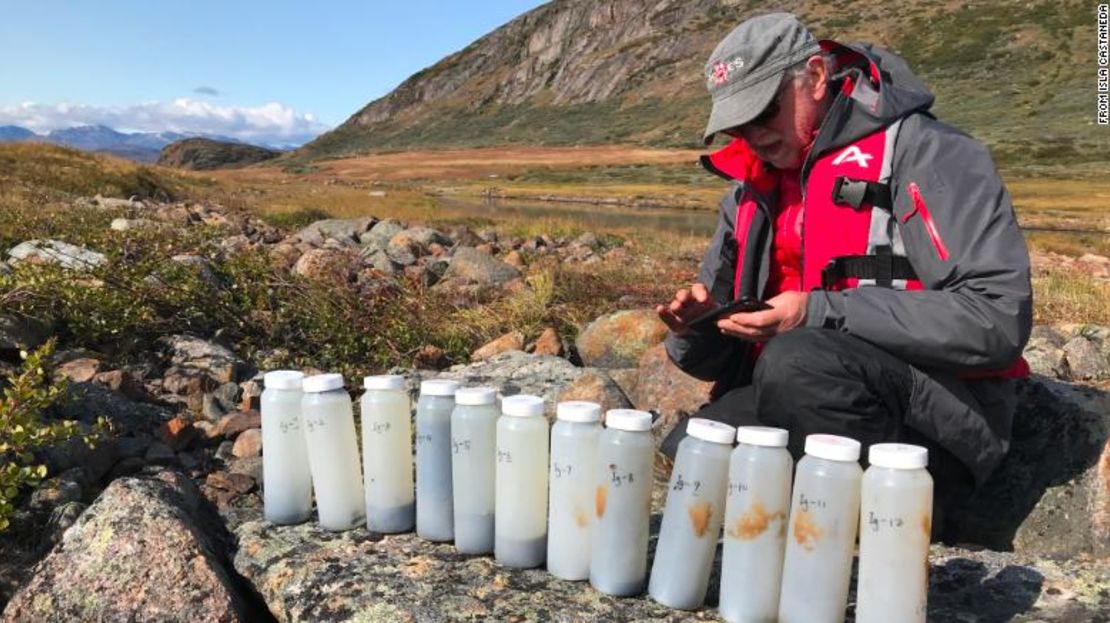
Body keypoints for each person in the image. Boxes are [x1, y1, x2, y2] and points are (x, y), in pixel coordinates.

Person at [656, 13, 1032, 539]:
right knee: (695, 447)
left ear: (814, 76)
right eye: (737, 125)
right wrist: (697, 327)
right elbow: (714, 360)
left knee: (800, 362)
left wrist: (816, 312)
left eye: (763, 112)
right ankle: (810, 529)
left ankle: (900, 529)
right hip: (804, 400)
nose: (753, 135)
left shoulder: (932, 154)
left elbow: (995, 321)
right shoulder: (749, 191)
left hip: (939, 424)